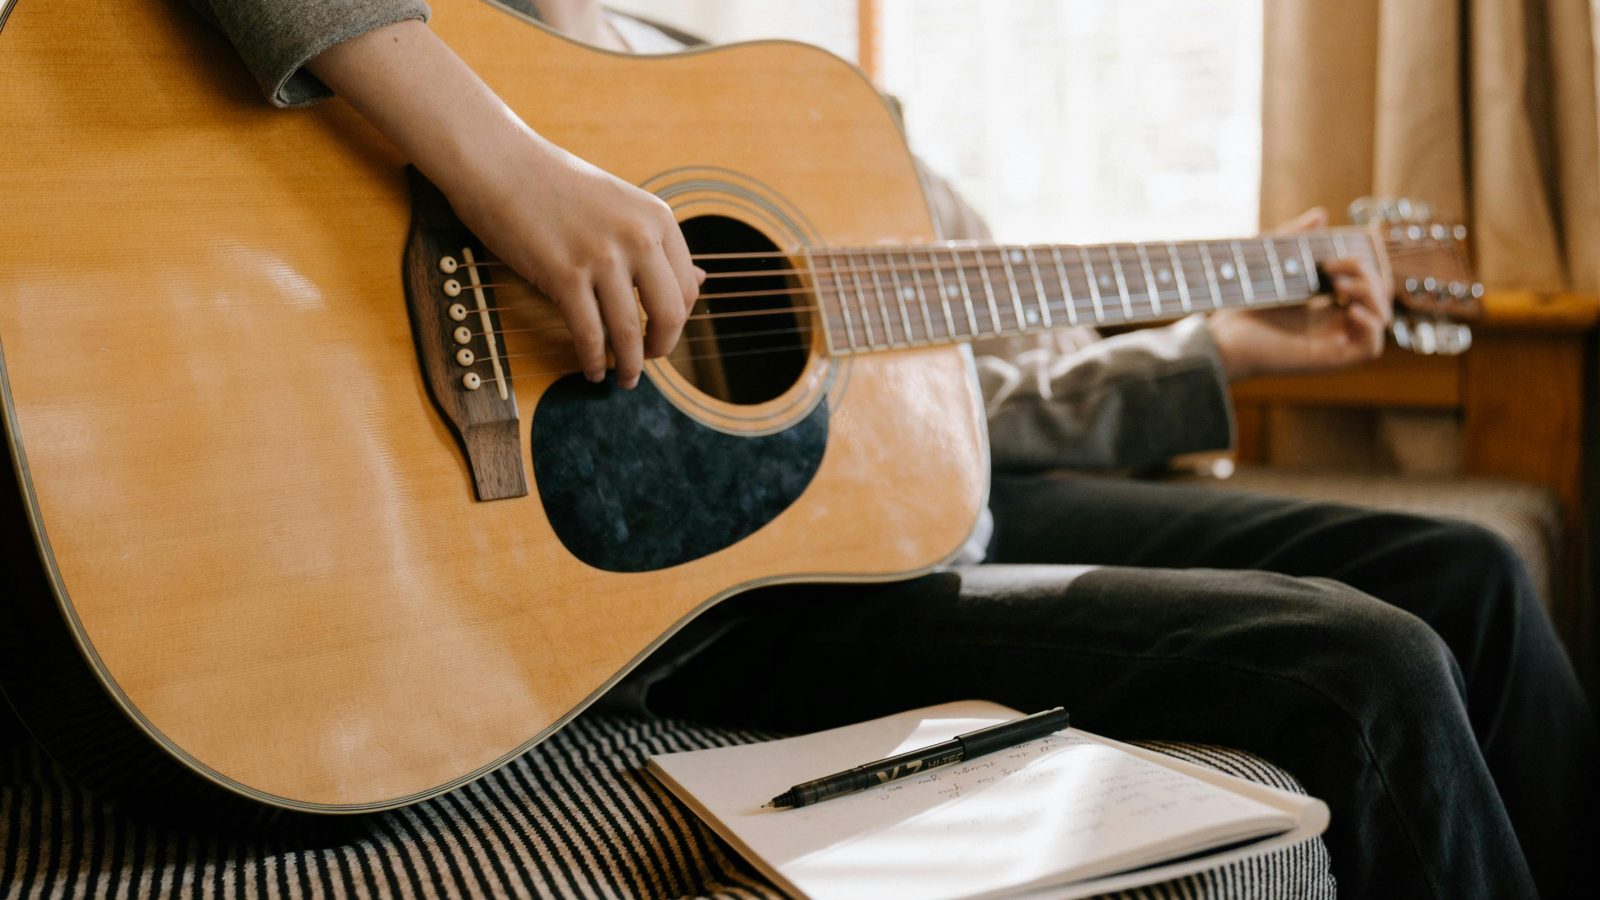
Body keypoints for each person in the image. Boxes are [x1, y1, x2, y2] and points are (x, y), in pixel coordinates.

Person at [187, 2, 1600, 897]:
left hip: (899, 512)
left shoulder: (763, 92)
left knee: (1463, 569)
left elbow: (940, 415)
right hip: (709, 591)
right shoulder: (406, 62)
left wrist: (1217, 341)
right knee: (1366, 668)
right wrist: (507, 173)